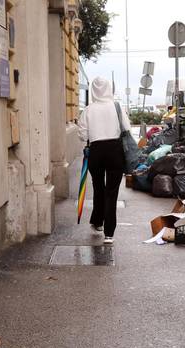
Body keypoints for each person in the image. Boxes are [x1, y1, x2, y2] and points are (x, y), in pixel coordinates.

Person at [78, 77, 131, 244]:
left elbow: (82, 134)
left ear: (93, 90)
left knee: (98, 187)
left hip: (96, 151)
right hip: (115, 150)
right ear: (109, 88)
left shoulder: (88, 110)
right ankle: (109, 233)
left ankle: (97, 221)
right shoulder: (117, 107)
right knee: (112, 191)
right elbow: (127, 128)